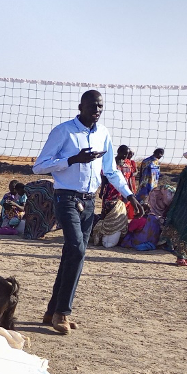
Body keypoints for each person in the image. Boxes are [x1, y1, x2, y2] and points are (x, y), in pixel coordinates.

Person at [32, 89, 141, 334]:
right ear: (80, 106)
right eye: (92, 106)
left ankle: (52, 310)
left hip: (89, 202)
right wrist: (72, 160)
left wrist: (130, 195)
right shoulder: (64, 132)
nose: (97, 111)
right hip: (66, 198)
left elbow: (111, 170)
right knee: (77, 249)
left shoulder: (103, 134)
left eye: (100, 107)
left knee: (73, 255)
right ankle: (63, 312)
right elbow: (38, 166)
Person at [161, 149, 187, 266]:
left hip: (184, 202)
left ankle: (186, 256)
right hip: (185, 202)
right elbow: (180, 187)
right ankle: (182, 257)